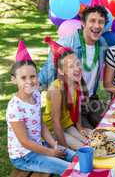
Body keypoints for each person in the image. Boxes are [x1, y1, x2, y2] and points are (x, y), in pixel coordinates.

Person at [7, 41, 75, 175]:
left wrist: (53, 144)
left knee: (75, 156)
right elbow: (25, 142)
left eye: (32, 76)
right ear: (14, 79)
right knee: (68, 168)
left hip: (40, 146)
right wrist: (51, 152)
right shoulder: (15, 107)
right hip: (24, 156)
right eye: (23, 77)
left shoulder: (36, 95)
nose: (29, 81)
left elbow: (41, 124)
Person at [39, 1, 109, 128]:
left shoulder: (102, 43)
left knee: (112, 125)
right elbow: (47, 74)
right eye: (92, 21)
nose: (97, 26)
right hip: (70, 104)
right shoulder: (65, 44)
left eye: (101, 22)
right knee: (92, 139)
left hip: (91, 100)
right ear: (83, 23)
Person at [42, 37, 88, 150]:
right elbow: (55, 122)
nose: (77, 69)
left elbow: (77, 110)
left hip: (67, 125)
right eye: (71, 66)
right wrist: (65, 148)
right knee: (84, 148)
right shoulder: (56, 89)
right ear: (61, 71)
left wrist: (80, 128)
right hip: (53, 130)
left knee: (90, 140)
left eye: (78, 64)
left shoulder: (76, 83)